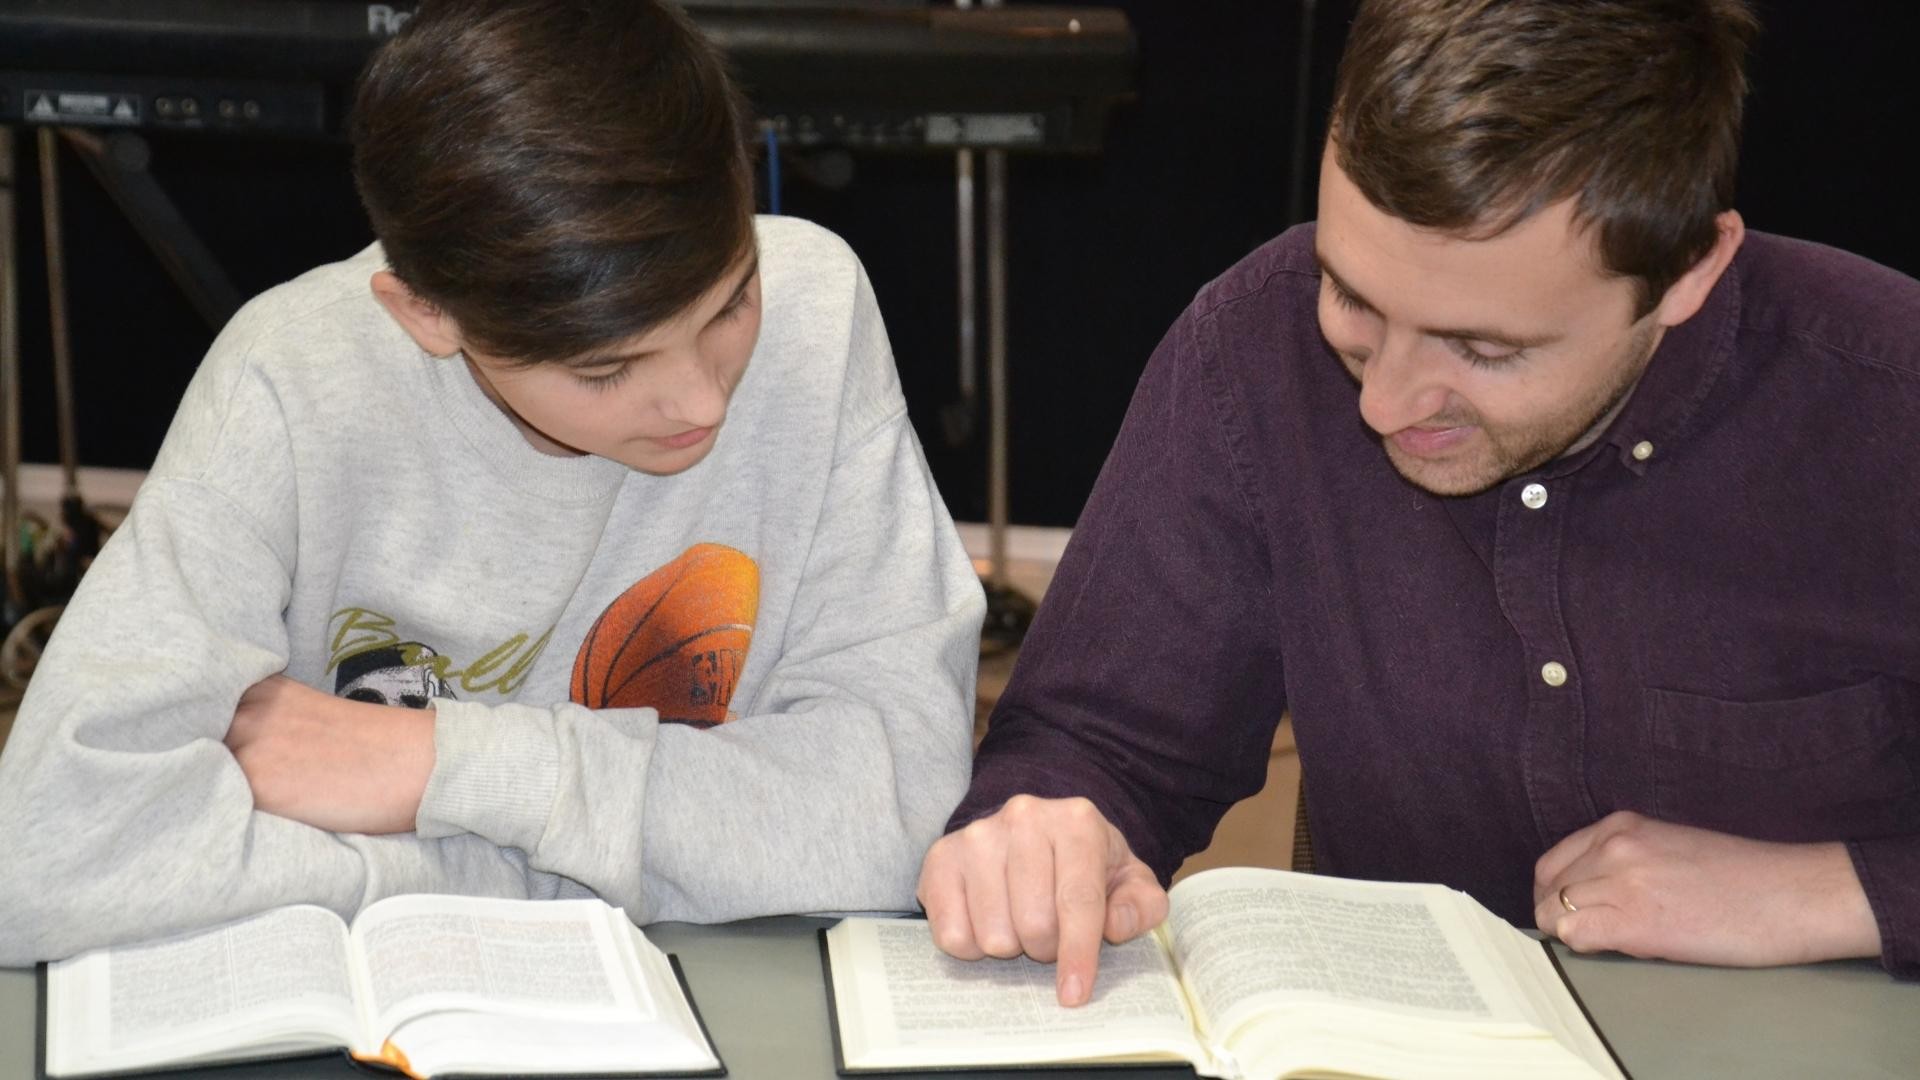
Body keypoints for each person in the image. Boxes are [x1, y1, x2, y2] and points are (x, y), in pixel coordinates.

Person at [919, 0, 1920, 1005]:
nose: (1384, 400)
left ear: (1688, 272)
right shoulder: (1251, 352)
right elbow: (1097, 745)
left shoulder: (1890, 405)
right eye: (1351, 297)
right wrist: (1041, 833)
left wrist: (1838, 893)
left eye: (1484, 350)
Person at [0, 0, 983, 965]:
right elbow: (50, 862)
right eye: (606, 370)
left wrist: (441, 766)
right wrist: (596, 865)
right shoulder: (291, 381)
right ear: (427, 315)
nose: (701, 401)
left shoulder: (819, 307)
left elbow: (904, 814)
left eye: (730, 304)